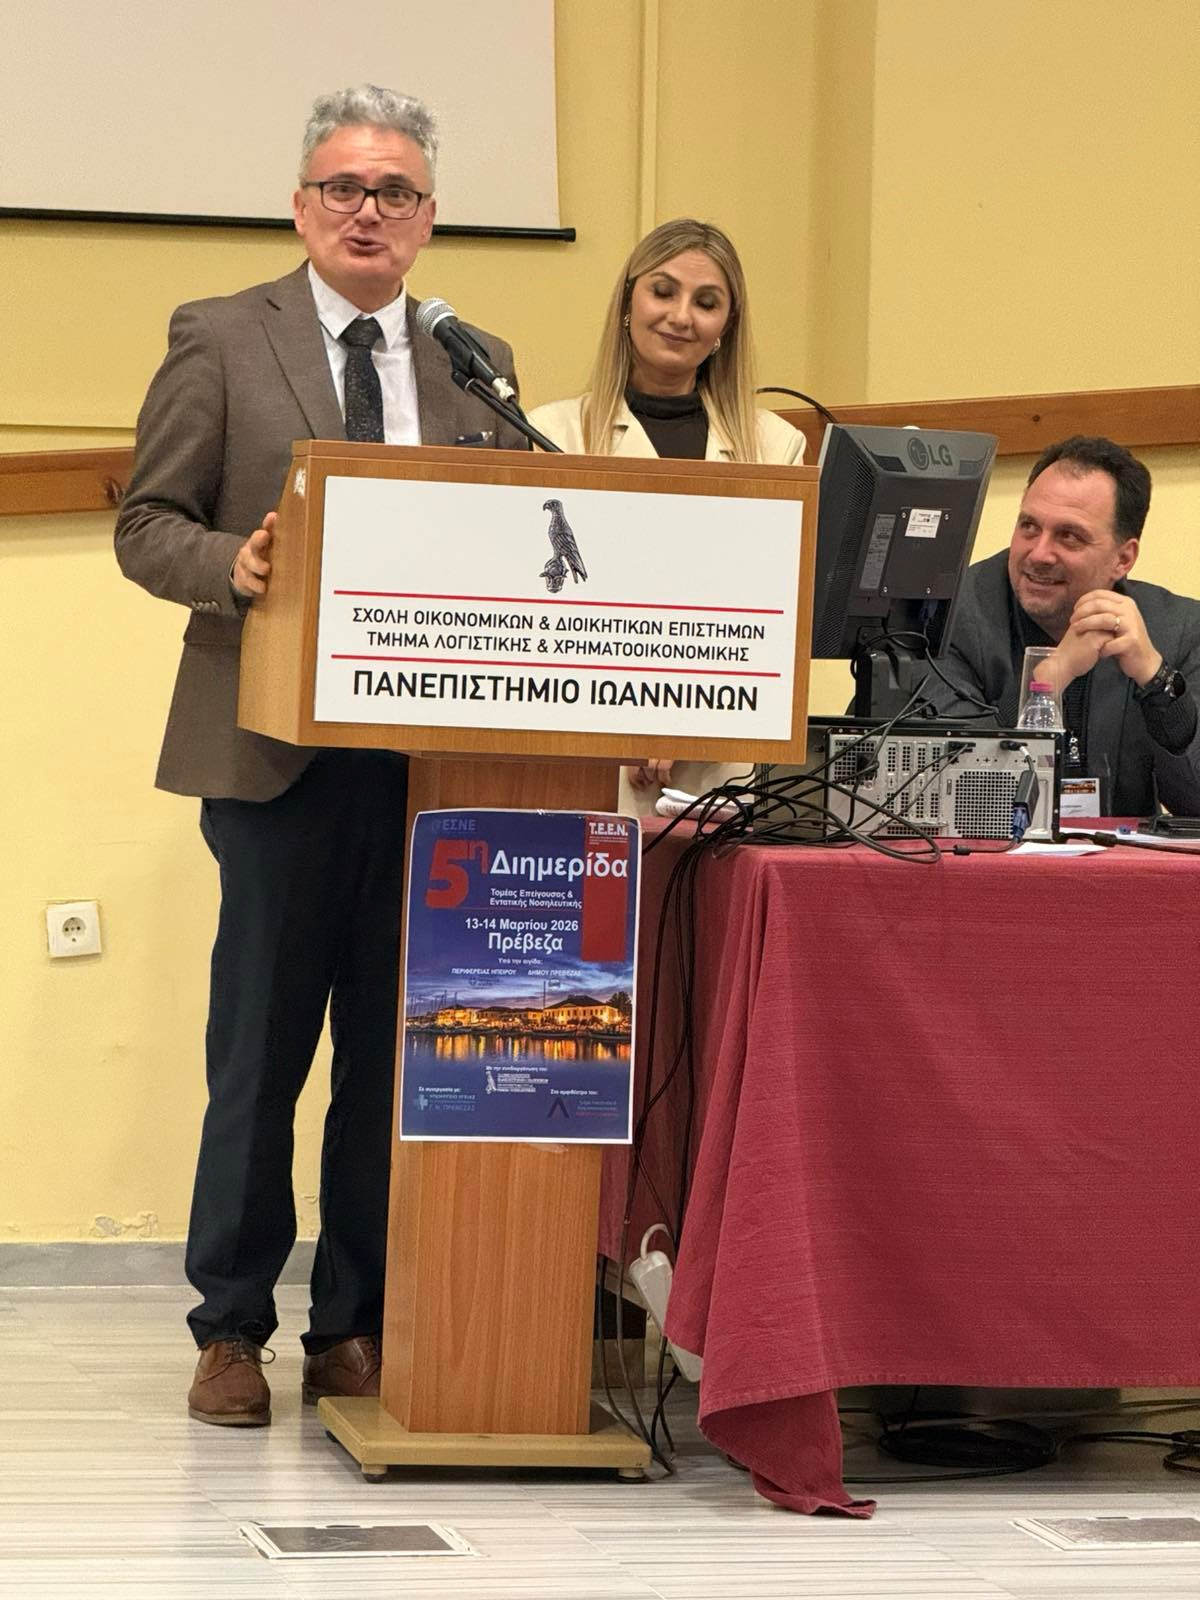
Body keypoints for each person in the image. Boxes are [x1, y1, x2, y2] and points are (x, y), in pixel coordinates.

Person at [115, 84, 527, 1427]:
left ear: (427, 219)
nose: (368, 210)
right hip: (272, 752)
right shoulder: (223, 335)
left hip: (431, 762)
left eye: (395, 191)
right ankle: (230, 1326)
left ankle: (354, 1321)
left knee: (392, 1062)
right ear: (301, 207)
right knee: (261, 1052)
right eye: (345, 187)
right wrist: (231, 565)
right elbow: (147, 523)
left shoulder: (473, 361)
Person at [528, 218, 805, 813]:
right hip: (588, 750)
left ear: (726, 327)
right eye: (663, 291)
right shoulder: (553, 434)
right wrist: (632, 714)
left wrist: (686, 716)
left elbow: (768, 619)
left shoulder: (775, 447)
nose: (681, 316)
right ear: (628, 303)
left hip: (719, 755)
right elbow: (547, 611)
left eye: (706, 302)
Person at [932, 436, 1200, 815]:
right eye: (1029, 526)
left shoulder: (1176, 629)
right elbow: (952, 790)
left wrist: (1156, 681)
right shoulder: (949, 617)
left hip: (1117, 853)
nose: (1039, 554)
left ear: (1123, 559)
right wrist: (1051, 676)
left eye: (1069, 536)